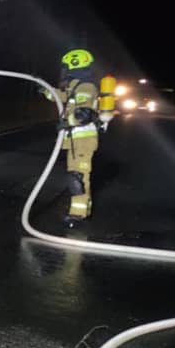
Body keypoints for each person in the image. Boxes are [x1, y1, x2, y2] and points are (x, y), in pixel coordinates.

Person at [50, 48, 101, 226]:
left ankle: (78, 214)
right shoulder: (77, 86)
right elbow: (61, 96)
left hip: (83, 141)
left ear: (74, 64)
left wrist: (67, 122)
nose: (64, 71)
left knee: (77, 176)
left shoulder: (86, 87)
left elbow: (84, 114)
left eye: (66, 67)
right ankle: (81, 211)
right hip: (76, 141)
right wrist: (45, 89)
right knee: (76, 175)